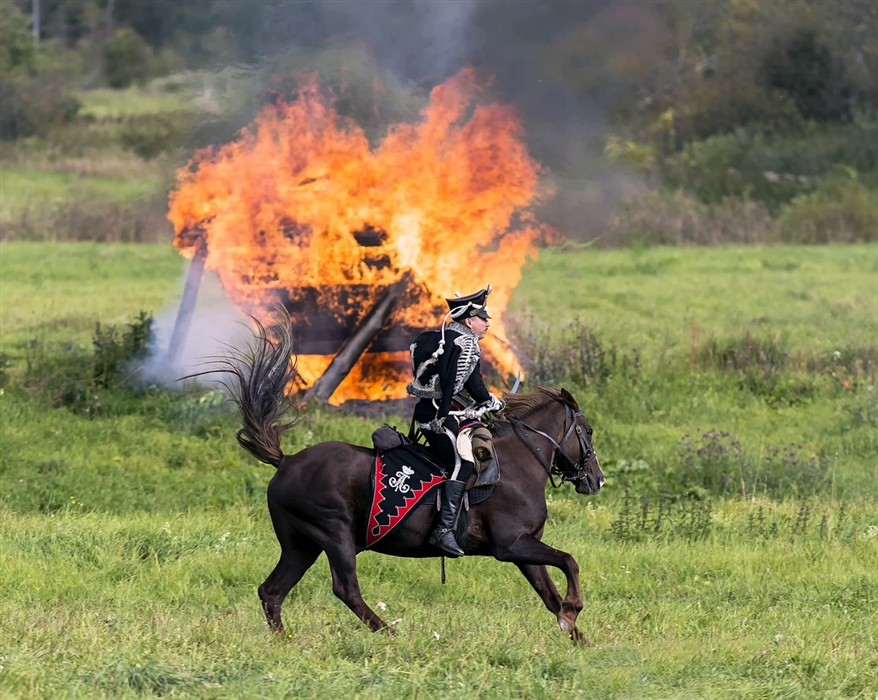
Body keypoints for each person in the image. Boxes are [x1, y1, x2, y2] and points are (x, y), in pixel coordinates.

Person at [406, 286, 503, 556]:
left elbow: (464, 383)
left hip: (428, 411)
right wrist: (493, 402)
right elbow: (473, 384)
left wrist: (486, 400)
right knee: (463, 463)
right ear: (469, 321)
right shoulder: (466, 342)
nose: (487, 323)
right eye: (483, 318)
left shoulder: (440, 337)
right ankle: (443, 530)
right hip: (440, 416)